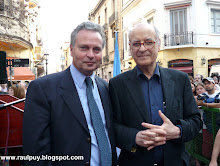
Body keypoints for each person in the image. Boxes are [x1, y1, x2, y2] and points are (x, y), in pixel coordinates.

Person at [23, 22, 117, 166]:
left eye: (96, 49)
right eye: (84, 48)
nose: (91, 55)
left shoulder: (105, 88)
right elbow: (35, 151)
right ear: (72, 50)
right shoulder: (43, 89)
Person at [109, 23, 202, 166]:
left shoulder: (180, 79)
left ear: (158, 45)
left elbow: (196, 121)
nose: (142, 48)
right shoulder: (117, 84)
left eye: (148, 42)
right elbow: (112, 126)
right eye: (136, 44)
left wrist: (177, 131)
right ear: (130, 48)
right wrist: (134, 137)